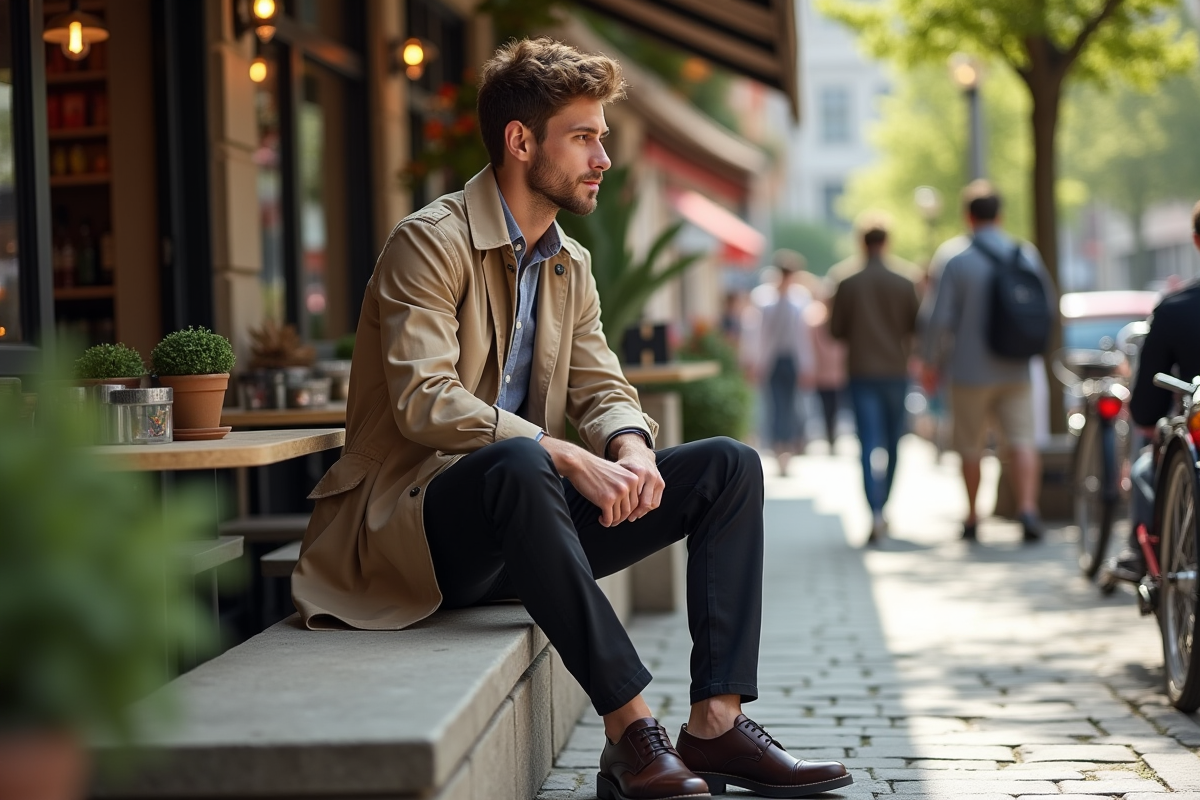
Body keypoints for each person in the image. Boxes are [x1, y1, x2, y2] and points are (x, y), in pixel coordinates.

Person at [290, 38, 850, 800]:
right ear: (522, 142)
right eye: (584, 137)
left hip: (530, 528)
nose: (603, 158)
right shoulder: (429, 242)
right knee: (524, 464)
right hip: (417, 533)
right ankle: (632, 736)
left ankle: (716, 724)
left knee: (728, 465)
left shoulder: (568, 263)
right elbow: (425, 401)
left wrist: (630, 446)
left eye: (602, 138)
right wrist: (561, 453)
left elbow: (600, 384)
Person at [920, 180, 1056, 542]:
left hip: (969, 371)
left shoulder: (953, 257)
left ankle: (972, 516)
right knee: (1022, 441)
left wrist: (929, 362)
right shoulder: (1023, 253)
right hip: (1017, 367)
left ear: (967, 215)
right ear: (1001, 214)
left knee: (969, 445)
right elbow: (1049, 306)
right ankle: (1028, 510)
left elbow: (938, 318)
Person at [1105, 200, 1200, 580]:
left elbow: (1145, 410)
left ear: (1195, 241)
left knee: (1146, 468)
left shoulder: (1176, 309)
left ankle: (1141, 556)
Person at [829, 212, 920, 544]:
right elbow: (915, 327)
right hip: (895, 371)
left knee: (867, 443)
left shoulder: (846, 280)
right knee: (894, 443)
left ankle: (874, 511)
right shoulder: (905, 279)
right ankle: (885, 507)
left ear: (861, 242)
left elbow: (835, 330)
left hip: (862, 372)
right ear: (887, 241)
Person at [740, 250, 815, 476]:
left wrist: (808, 365)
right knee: (774, 406)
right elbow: (755, 334)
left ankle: (787, 450)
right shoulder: (764, 299)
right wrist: (752, 360)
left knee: (791, 407)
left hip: (792, 359)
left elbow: (804, 337)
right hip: (771, 360)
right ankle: (777, 449)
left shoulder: (801, 300)